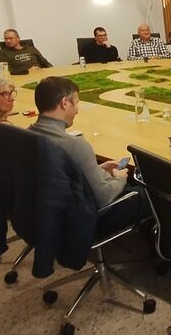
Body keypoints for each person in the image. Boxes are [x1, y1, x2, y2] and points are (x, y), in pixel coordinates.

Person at [30, 76, 146, 231]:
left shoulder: (26, 136)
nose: (77, 110)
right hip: (80, 222)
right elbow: (103, 198)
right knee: (147, 194)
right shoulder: (75, 145)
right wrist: (120, 178)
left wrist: (96, 169)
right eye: (76, 103)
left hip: (44, 216)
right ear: (65, 103)